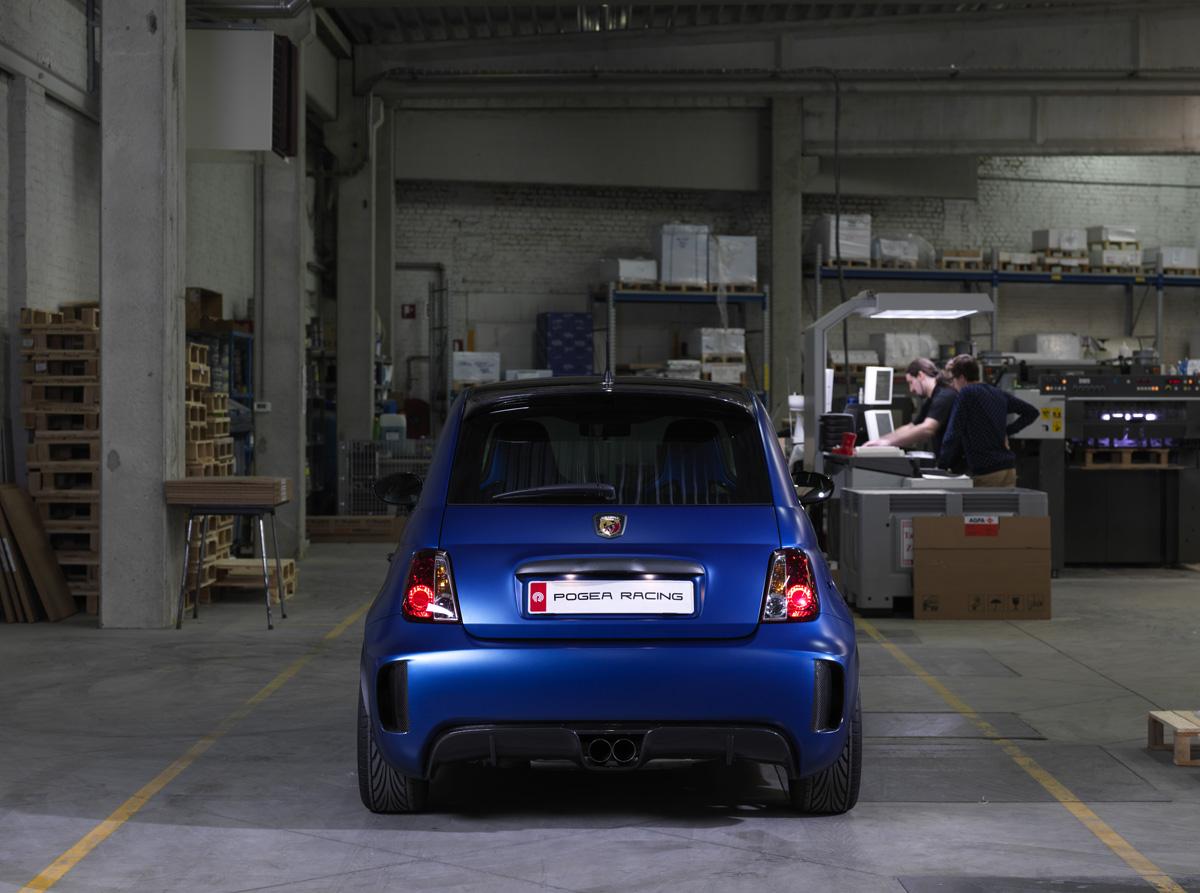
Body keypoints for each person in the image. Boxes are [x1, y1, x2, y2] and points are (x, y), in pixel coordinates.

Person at [938, 354, 1039, 487]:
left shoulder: (966, 393)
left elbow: (953, 433)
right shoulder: (997, 393)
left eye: (954, 380)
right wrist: (1007, 431)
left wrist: (941, 466)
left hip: (987, 472)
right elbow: (1032, 412)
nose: (953, 385)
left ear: (961, 378)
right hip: (1008, 469)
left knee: (978, 502)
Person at [863, 357, 958, 456]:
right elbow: (912, 426)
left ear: (920, 375)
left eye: (911, 382)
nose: (911, 389)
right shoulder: (932, 399)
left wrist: (888, 442)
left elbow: (928, 428)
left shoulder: (944, 396)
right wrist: (881, 441)